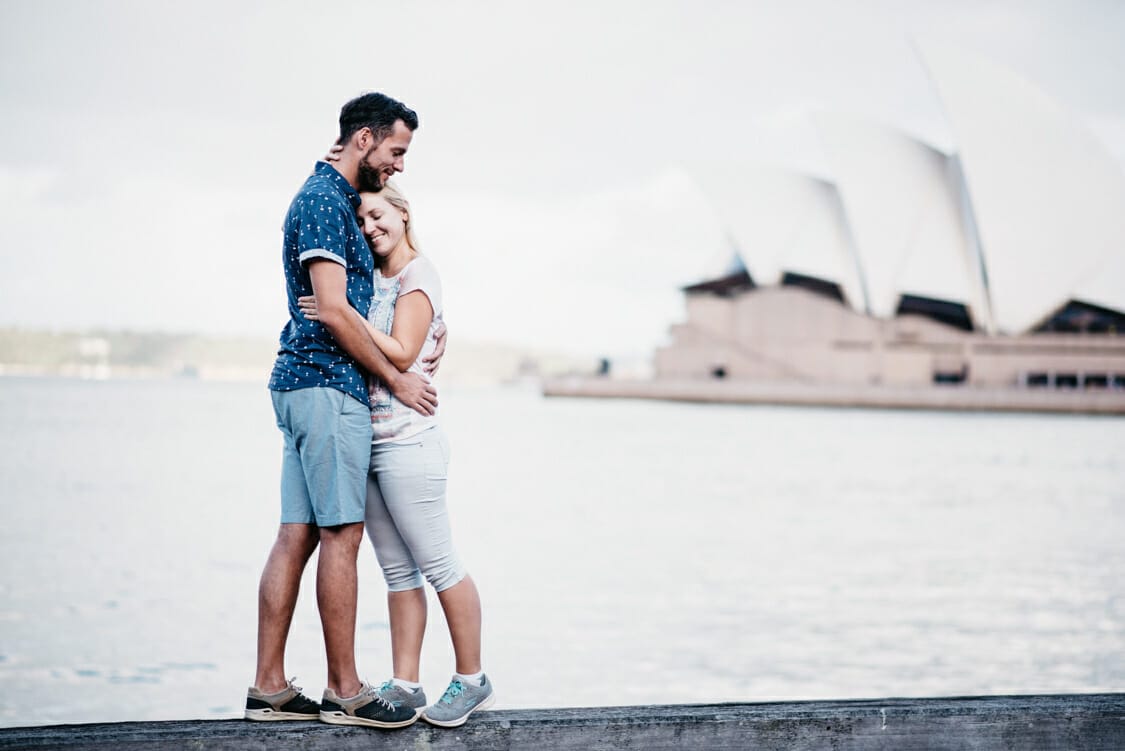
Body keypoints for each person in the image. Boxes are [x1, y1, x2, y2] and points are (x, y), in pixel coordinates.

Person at [246, 92, 437, 730]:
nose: (400, 164)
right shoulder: (327, 203)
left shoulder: (326, 191)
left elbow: (334, 295)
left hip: (301, 383)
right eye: (396, 150)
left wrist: (345, 167)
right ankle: (346, 690)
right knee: (341, 535)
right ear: (364, 139)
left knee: (296, 534)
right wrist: (395, 378)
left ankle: (269, 689)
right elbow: (331, 308)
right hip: (328, 386)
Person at [299, 181, 494, 728]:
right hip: (371, 440)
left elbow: (405, 353)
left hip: (411, 442)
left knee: (439, 565)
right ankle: (406, 685)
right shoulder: (374, 281)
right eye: (361, 221)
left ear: (403, 213)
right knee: (397, 573)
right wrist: (343, 312)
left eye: (378, 215)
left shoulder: (418, 275)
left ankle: (473, 680)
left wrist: (340, 313)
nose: (369, 228)